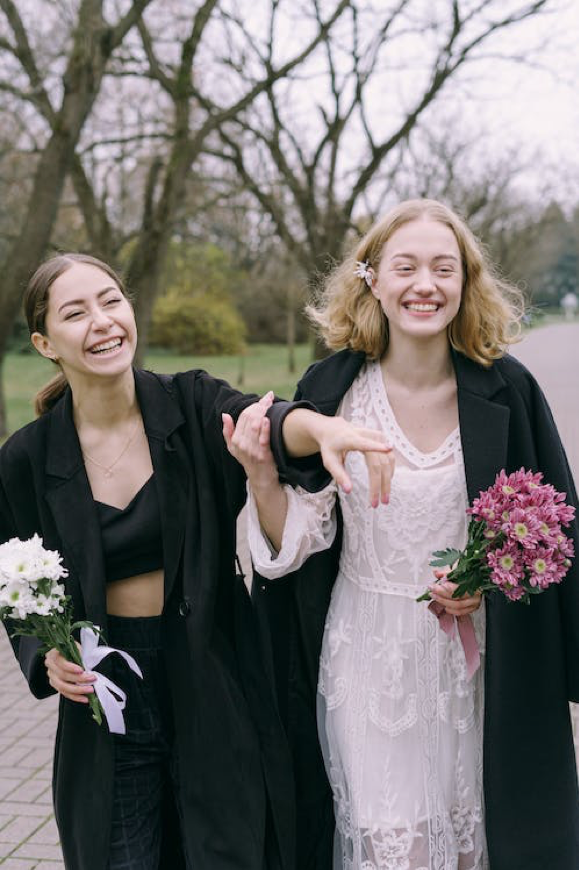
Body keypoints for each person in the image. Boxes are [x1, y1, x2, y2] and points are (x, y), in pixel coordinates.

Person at [0, 253, 393, 870]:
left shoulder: (188, 403)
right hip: (106, 694)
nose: (102, 322)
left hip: (210, 670)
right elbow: (16, 582)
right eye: (75, 313)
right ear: (45, 342)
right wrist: (43, 655)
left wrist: (320, 431)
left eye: (111, 301)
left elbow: (266, 421)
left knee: (224, 851)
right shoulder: (26, 458)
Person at [225, 200, 579, 870]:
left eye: (444, 268)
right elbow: (301, 540)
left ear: (464, 283)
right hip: (367, 661)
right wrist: (262, 481)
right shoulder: (331, 390)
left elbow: (550, 534)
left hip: (477, 675)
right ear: (372, 280)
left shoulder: (507, 389)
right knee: (399, 853)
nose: (426, 284)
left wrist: (487, 584)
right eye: (406, 267)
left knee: (481, 846)